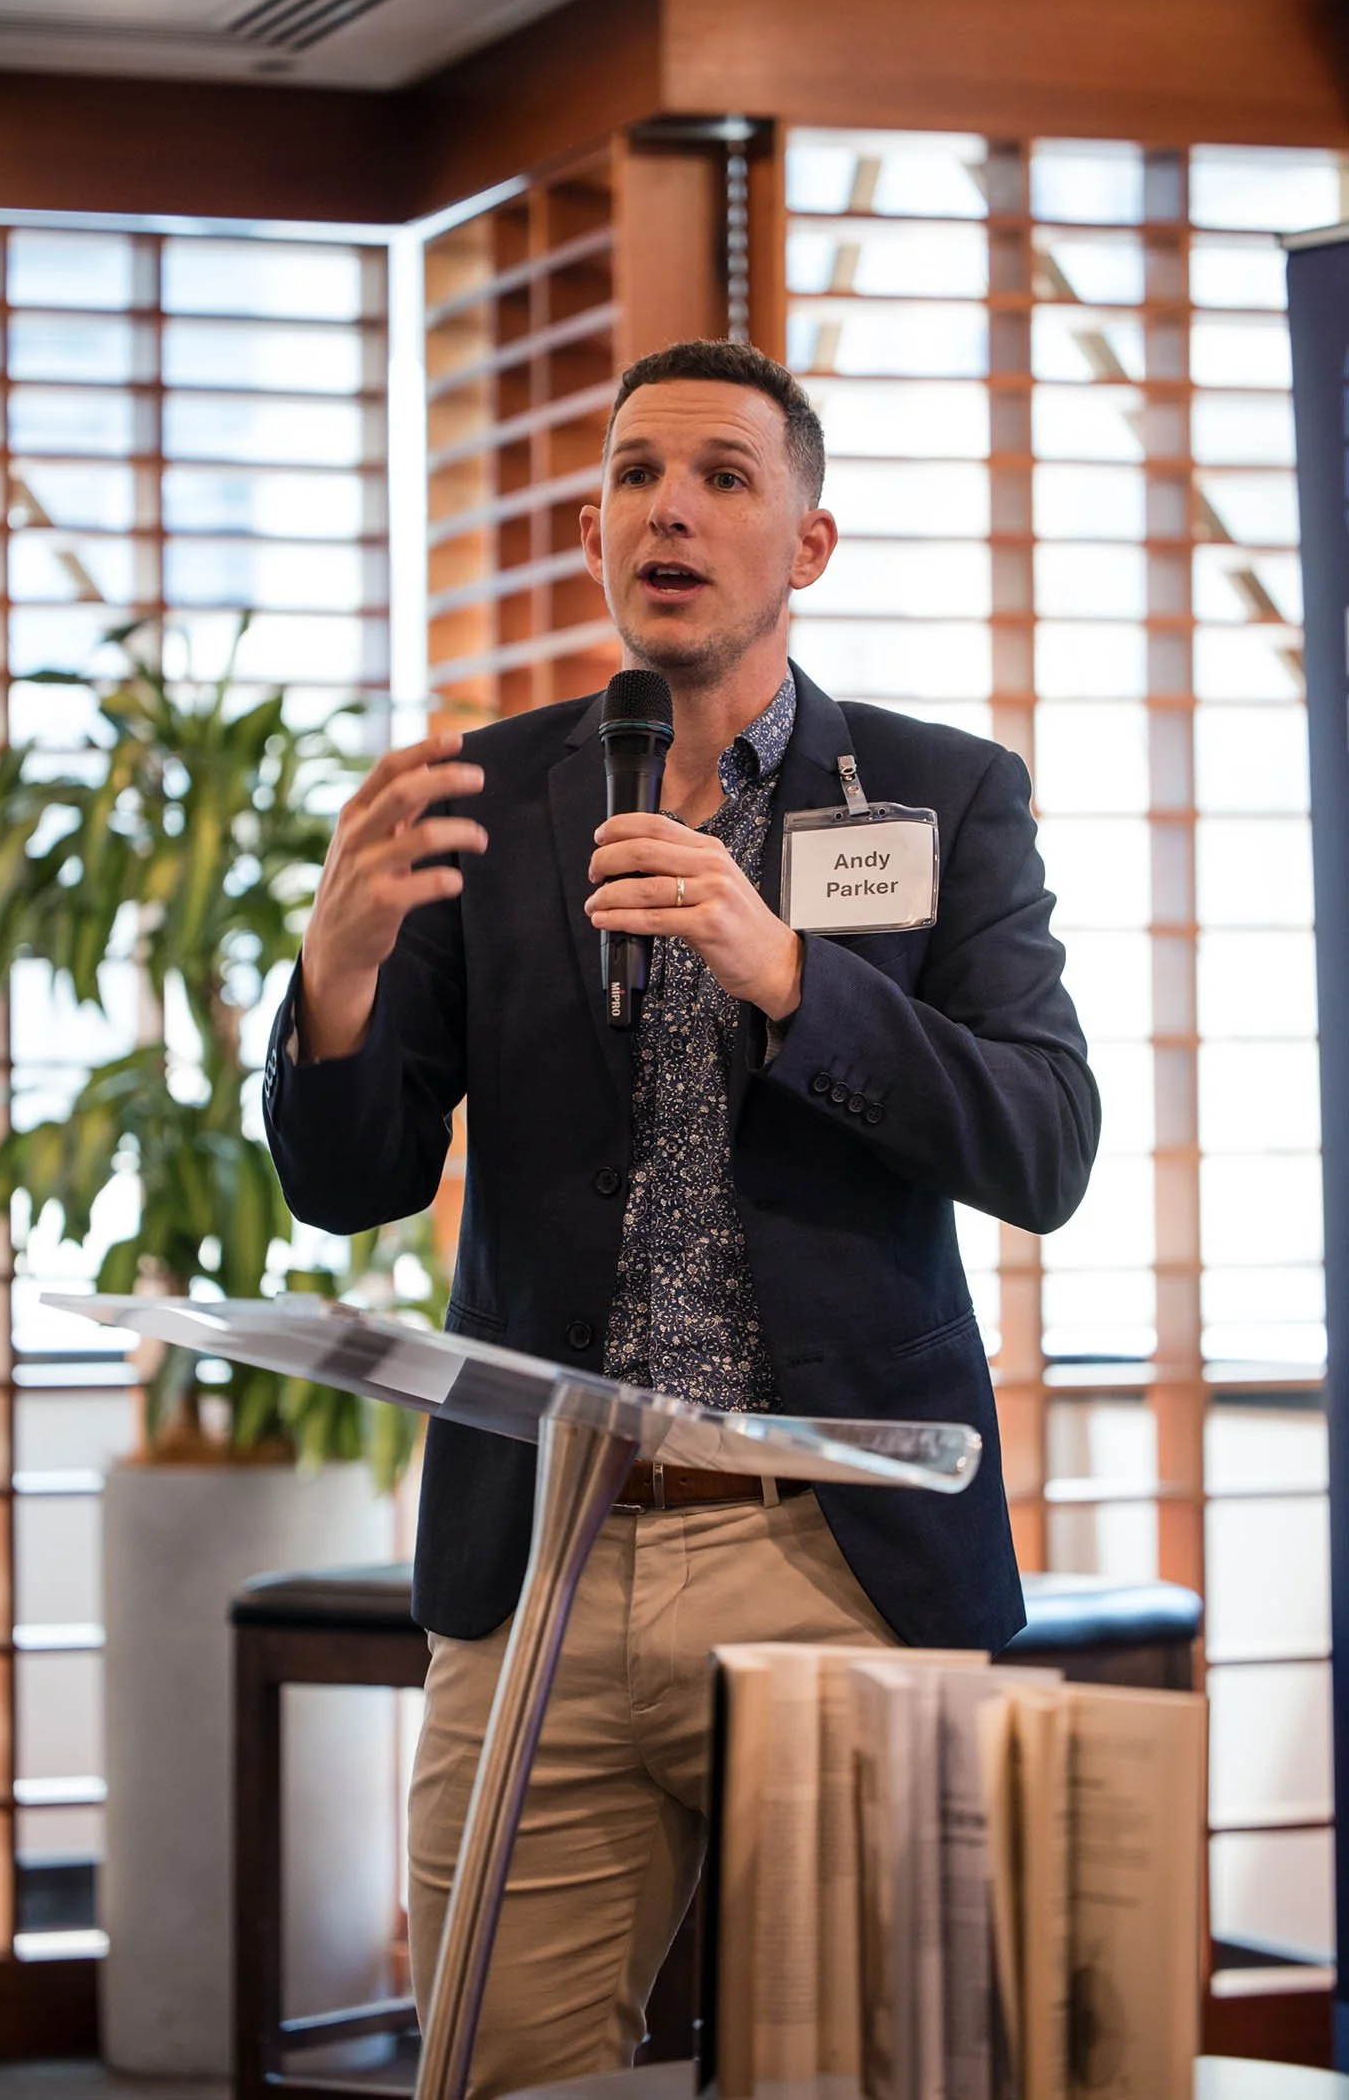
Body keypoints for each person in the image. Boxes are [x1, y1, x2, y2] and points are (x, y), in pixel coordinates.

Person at [263, 338, 1099, 2095]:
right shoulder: (489, 801)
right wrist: (334, 985)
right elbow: (354, 1179)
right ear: (593, 535)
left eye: (723, 473)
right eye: (639, 474)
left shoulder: (939, 800)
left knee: (870, 2073)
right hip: (543, 1552)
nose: (673, 506)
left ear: (806, 543)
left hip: (839, 1550)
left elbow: (1044, 1143)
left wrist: (790, 972)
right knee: (496, 2068)